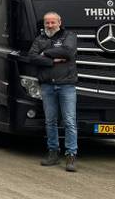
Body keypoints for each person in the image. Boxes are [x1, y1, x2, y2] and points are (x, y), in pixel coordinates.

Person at [28, 11, 78, 172]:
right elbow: (32, 57)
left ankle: (71, 155)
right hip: (47, 85)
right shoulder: (39, 39)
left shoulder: (69, 36)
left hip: (66, 85)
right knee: (50, 121)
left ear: (59, 22)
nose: (50, 25)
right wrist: (52, 60)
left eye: (52, 22)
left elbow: (68, 52)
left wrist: (45, 53)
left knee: (69, 121)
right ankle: (53, 153)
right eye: (47, 23)